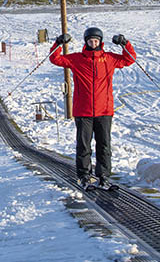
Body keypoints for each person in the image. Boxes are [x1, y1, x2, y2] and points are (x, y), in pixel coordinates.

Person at [49, 27, 136, 190]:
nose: (93, 43)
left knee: (104, 145)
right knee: (84, 145)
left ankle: (103, 177)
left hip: (104, 110)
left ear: (100, 42)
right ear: (86, 42)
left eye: (96, 41)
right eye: (90, 41)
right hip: (83, 111)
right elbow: (55, 59)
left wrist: (125, 43)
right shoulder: (77, 59)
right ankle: (84, 176)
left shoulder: (109, 59)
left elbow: (129, 59)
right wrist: (58, 43)